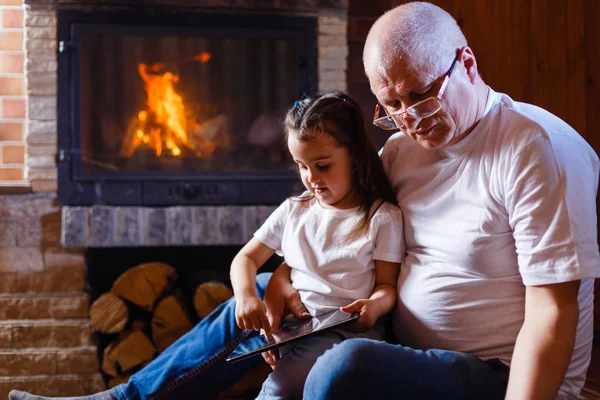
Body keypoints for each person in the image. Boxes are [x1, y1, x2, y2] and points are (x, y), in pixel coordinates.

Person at [10, 2, 600, 400]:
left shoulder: (531, 148)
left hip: (489, 373)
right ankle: (118, 399)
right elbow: (348, 233)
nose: (406, 120)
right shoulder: (402, 151)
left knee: (342, 368)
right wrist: (290, 280)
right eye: (389, 105)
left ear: (466, 64)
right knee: (262, 297)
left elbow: (553, 311)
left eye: (419, 97)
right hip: (392, 337)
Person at [230, 92, 404, 398]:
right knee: (224, 343)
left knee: (278, 390)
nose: (311, 178)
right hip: (290, 327)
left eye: (322, 166)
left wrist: (373, 306)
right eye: (302, 166)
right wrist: (245, 297)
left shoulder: (381, 218)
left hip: (341, 335)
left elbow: (387, 287)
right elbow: (245, 258)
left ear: (355, 155)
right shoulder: (295, 209)